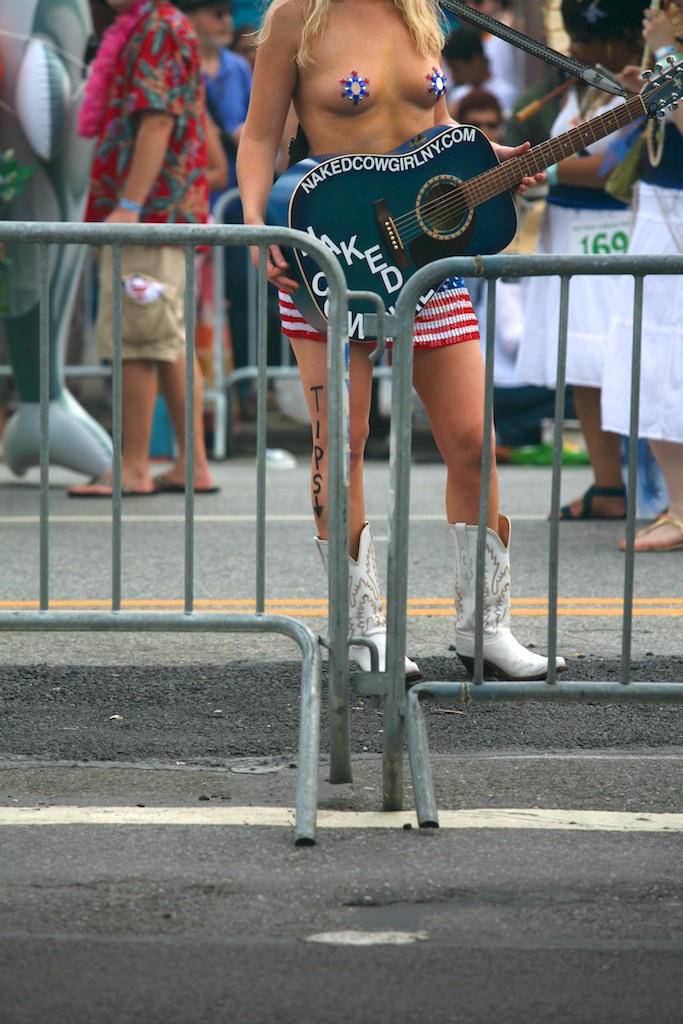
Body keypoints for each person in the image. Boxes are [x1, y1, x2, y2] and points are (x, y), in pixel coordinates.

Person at [236, 0, 566, 681]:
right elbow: (259, 137)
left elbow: (435, 134)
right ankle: (362, 633)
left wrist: (491, 160)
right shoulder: (297, 16)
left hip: (425, 260)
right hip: (331, 257)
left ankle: (485, 629)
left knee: (474, 442)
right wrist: (256, 228)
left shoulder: (422, 10)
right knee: (343, 442)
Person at [68, 0, 218, 498]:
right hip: (159, 212)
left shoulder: (158, 28)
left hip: (150, 213)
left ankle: (134, 467)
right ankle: (192, 466)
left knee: (137, 338)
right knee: (165, 340)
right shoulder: (160, 24)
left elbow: (157, 121)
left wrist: (129, 205)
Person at [514, 0, 646, 522]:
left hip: (614, 233)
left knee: (625, 358)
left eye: (583, 39)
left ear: (614, 41)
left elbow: (619, 168)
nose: (573, 48)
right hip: (569, 232)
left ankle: (653, 483)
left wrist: (543, 167)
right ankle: (608, 483)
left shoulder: (645, 88)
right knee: (584, 363)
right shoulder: (585, 88)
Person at [601, 3, 683, 552]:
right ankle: (679, 506)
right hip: (661, 206)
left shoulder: (670, 46)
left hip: (676, 212)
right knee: (651, 359)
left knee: (664, 355)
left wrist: (667, 53)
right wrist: (649, 85)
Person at [443, 26, 518, 121]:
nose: (453, 76)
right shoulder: (457, 95)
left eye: (457, 69)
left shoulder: (505, 94)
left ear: (477, 60)